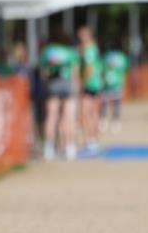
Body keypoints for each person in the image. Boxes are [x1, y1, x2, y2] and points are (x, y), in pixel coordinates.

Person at [39, 28, 79, 160]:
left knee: (51, 116)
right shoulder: (70, 52)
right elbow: (74, 72)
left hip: (52, 84)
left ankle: (48, 147)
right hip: (67, 84)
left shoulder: (47, 51)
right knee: (68, 117)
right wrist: (77, 87)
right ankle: (69, 147)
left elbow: (43, 73)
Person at [77, 26, 103, 153]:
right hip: (96, 83)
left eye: (82, 35)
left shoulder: (88, 49)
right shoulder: (94, 47)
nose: (80, 38)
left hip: (90, 84)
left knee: (85, 113)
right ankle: (93, 140)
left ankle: (90, 141)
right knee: (93, 113)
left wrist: (82, 83)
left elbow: (89, 67)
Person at [101, 46, 129, 134]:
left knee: (116, 104)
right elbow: (102, 71)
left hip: (117, 85)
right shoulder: (106, 57)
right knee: (104, 103)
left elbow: (124, 73)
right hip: (107, 86)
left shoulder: (122, 58)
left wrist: (123, 86)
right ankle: (103, 120)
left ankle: (115, 121)